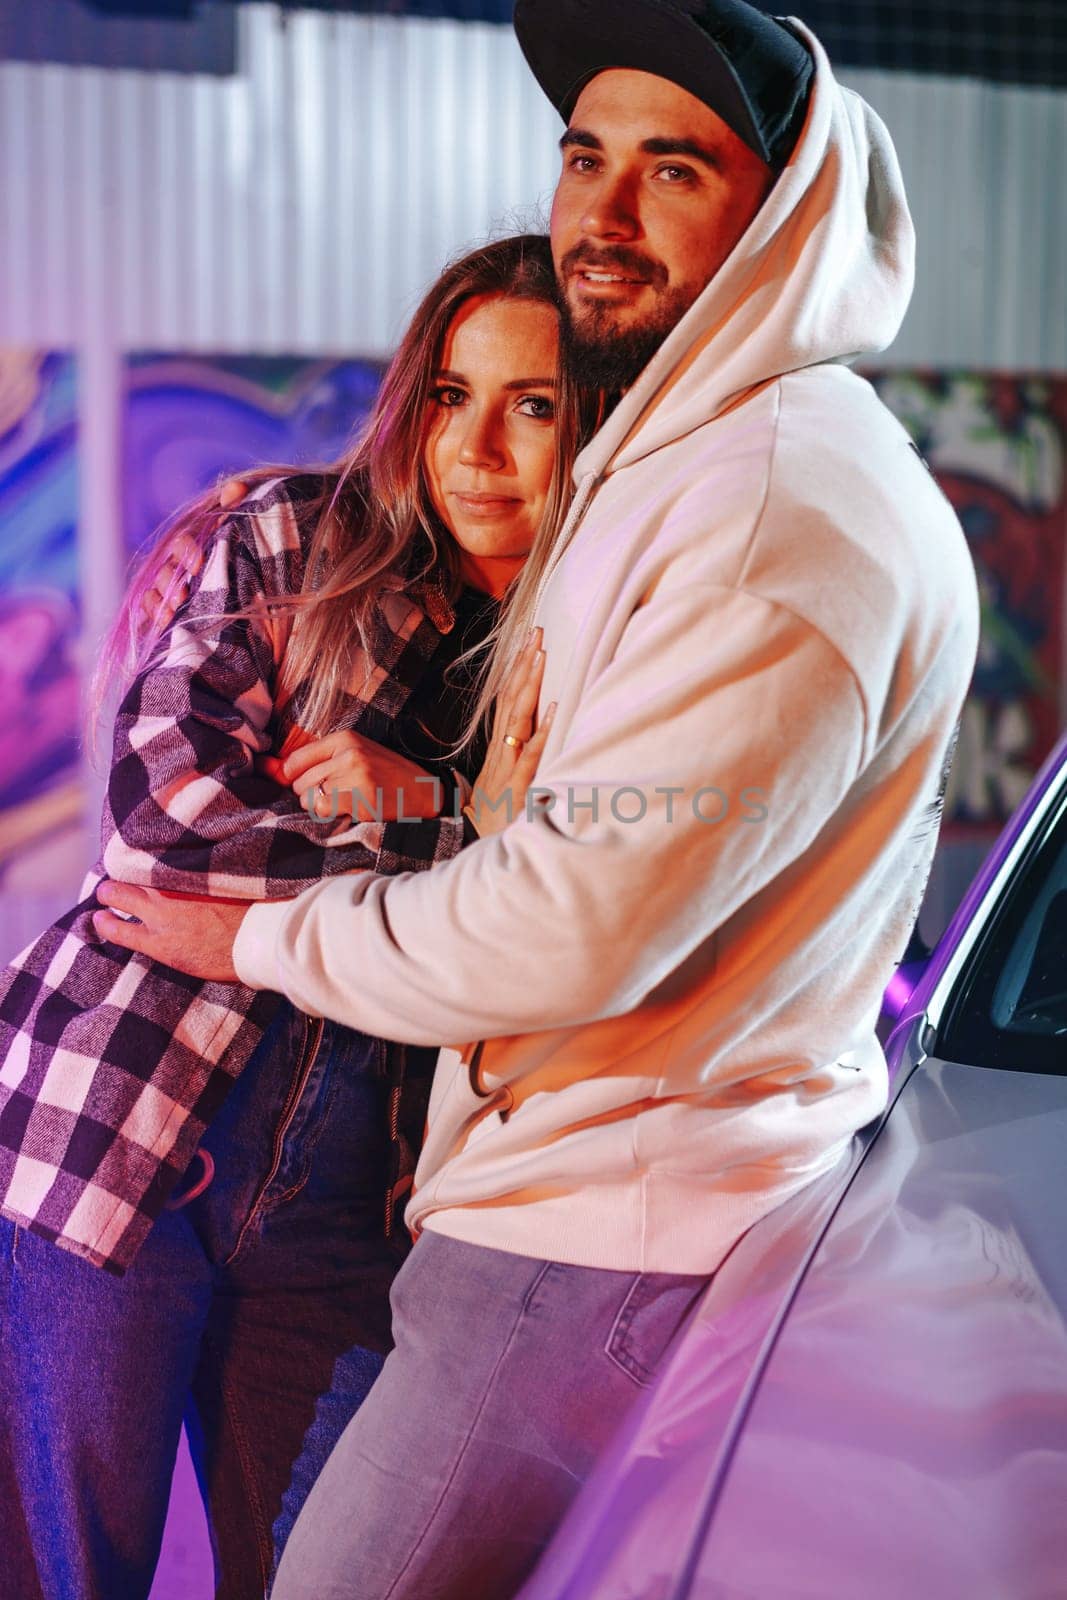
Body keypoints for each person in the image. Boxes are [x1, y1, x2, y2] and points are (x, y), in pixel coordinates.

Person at [96, 3, 980, 1598]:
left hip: (598, 1228)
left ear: (781, 207)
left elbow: (571, 914)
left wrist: (278, 939)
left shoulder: (774, 507)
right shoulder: (692, 464)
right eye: (586, 157)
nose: (606, 213)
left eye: (674, 169)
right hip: (553, 1199)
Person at [0, 233, 597, 1600]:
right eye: (451, 395)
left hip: (354, 1205)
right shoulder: (284, 533)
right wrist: (446, 847)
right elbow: (166, 827)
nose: (480, 448)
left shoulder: (600, 634)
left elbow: (588, 907)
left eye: (535, 405)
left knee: (323, 1574)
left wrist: (426, 812)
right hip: (120, 1134)